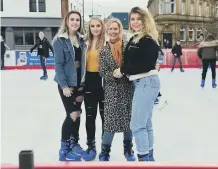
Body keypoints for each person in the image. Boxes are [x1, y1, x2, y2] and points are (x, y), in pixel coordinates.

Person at [119, 7, 161, 161]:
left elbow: (146, 64)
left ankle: (144, 159)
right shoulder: (134, 38)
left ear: (145, 20)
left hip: (146, 81)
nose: (135, 22)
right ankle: (149, 158)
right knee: (145, 123)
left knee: (137, 125)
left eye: (139, 19)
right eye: (133, 19)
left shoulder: (147, 39)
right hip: (141, 83)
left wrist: (122, 70)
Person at [99, 18, 135, 161]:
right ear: (107, 31)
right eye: (111, 29)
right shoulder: (104, 50)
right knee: (110, 123)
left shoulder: (127, 46)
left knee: (128, 121)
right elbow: (102, 71)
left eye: (116, 29)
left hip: (127, 89)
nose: (113, 31)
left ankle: (128, 150)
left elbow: (132, 65)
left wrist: (124, 71)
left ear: (120, 30)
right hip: (111, 91)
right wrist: (113, 75)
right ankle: (105, 152)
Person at [53, 10, 87, 161]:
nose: (74, 22)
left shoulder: (81, 40)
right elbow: (58, 65)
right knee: (72, 114)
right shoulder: (59, 40)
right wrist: (64, 86)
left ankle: (74, 143)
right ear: (67, 21)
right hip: (67, 85)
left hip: (80, 84)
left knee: (78, 114)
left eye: (77, 20)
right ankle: (64, 149)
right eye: (72, 19)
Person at [82, 17, 105, 161]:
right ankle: (91, 146)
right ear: (89, 28)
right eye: (92, 26)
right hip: (90, 82)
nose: (95, 28)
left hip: (104, 83)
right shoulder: (85, 43)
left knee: (105, 118)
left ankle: (105, 148)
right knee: (90, 117)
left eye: (98, 26)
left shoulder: (107, 43)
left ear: (102, 27)